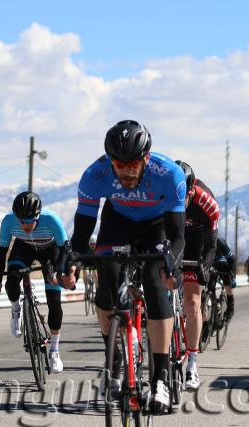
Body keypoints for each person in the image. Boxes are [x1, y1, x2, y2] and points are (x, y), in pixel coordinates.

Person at [62, 120, 186, 412]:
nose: (127, 171)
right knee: (107, 279)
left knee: (156, 286)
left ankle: (161, 378)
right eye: (120, 164)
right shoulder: (95, 175)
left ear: (146, 158)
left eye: (133, 164)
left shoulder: (169, 174)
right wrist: (73, 261)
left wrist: (173, 265)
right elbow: (82, 231)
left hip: (156, 226)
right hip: (117, 222)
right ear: (110, 161)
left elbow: (178, 235)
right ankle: (114, 359)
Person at [0, 191, 73, 374]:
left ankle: (54, 351)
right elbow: (1, 253)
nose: (25, 225)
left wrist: (59, 271)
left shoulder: (52, 220)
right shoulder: (8, 221)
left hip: (50, 251)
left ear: (38, 215)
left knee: (54, 301)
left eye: (30, 221)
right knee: (11, 281)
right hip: (23, 248)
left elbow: (66, 250)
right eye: (21, 221)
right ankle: (16, 310)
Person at [176, 160, 219, 392]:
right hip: (172, 238)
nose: (178, 200)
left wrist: (205, 266)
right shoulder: (163, 196)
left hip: (197, 243)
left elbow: (212, 244)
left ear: (191, 190)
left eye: (183, 195)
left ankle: (192, 364)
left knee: (193, 301)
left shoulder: (206, 201)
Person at [214, 237, 236, 321]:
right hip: (207, 263)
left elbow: (231, 260)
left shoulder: (219, 242)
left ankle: (231, 306)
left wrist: (232, 277)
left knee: (227, 279)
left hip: (220, 261)